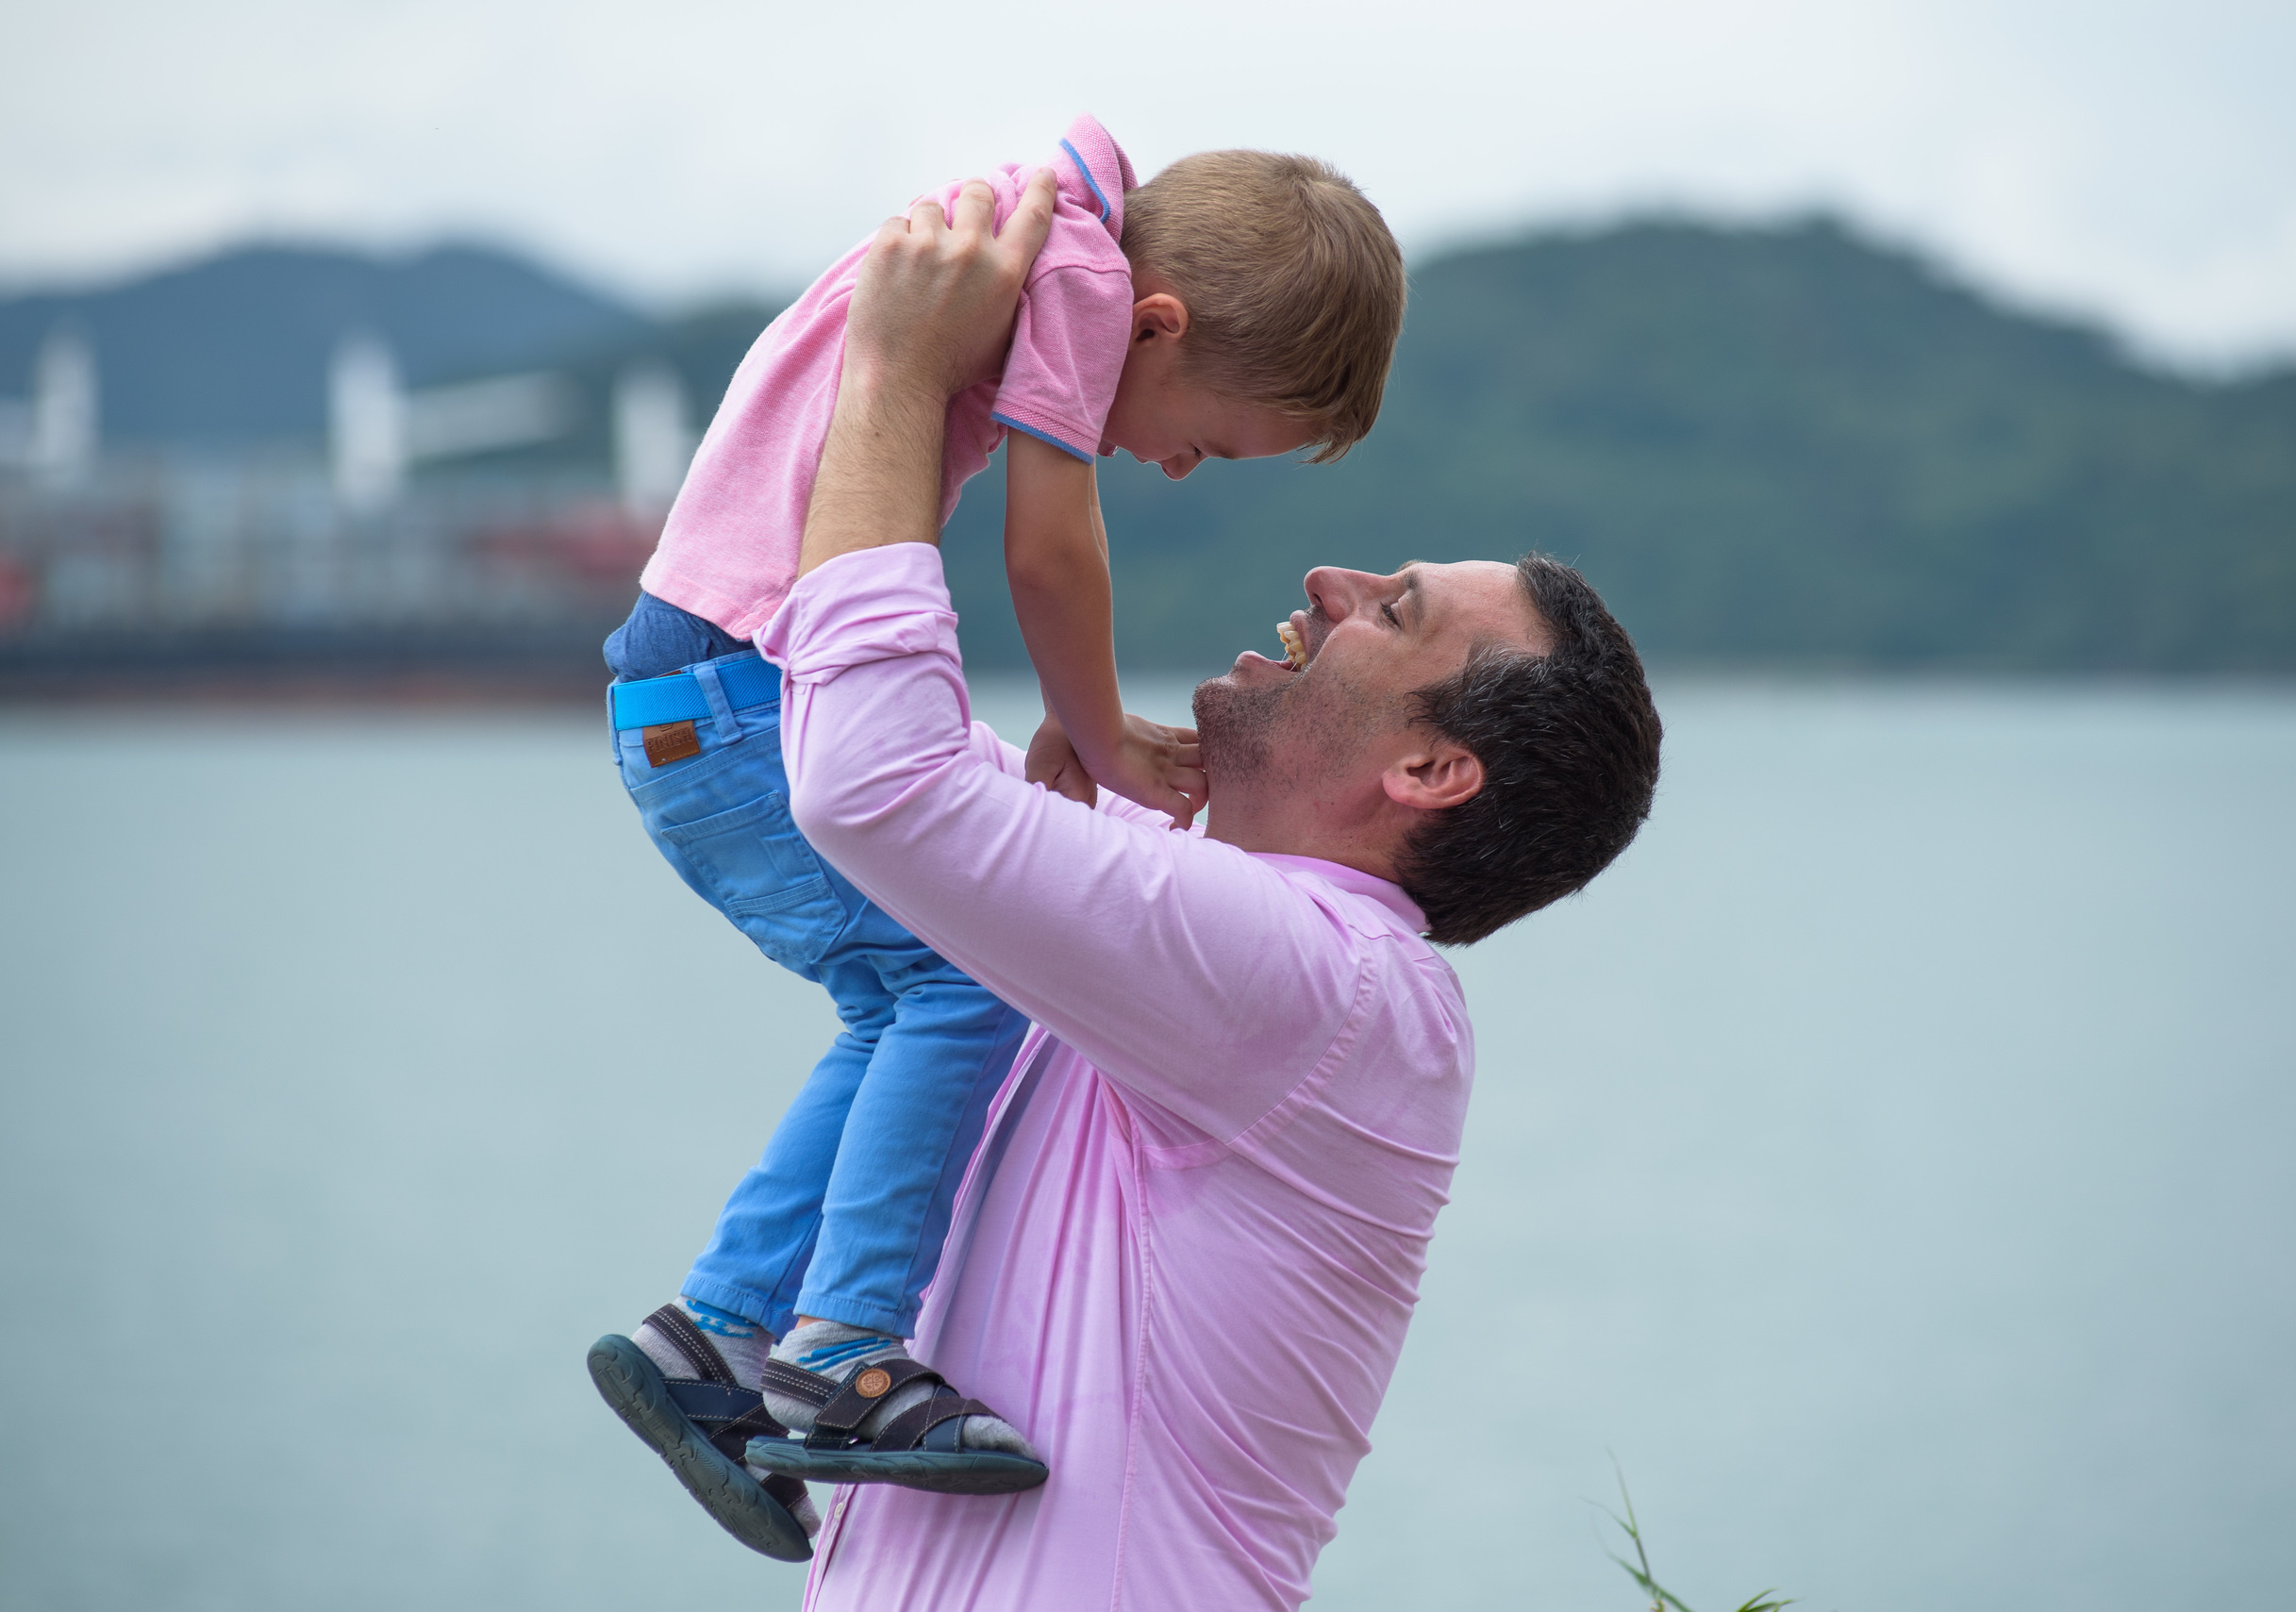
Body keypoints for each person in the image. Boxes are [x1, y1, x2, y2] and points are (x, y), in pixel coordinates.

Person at [696, 172, 1663, 1609]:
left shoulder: (1343, 995)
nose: (1329, 575)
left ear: (1431, 769)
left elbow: (874, 782)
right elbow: (846, 742)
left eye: (1393, 610)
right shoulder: (1218, 971)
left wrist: (897, 373)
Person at [586, 118, 1408, 1561]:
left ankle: (712, 1334)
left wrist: (1061, 736)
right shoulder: (1076, 278)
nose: (1172, 469)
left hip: (693, 687)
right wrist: (1095, 733)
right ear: (1156, 326)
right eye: (1200, 440)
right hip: (739, 693)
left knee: (896, 993)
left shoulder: (1025, 237)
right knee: (961, 982)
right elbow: (1048, 545)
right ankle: (842, 1351)